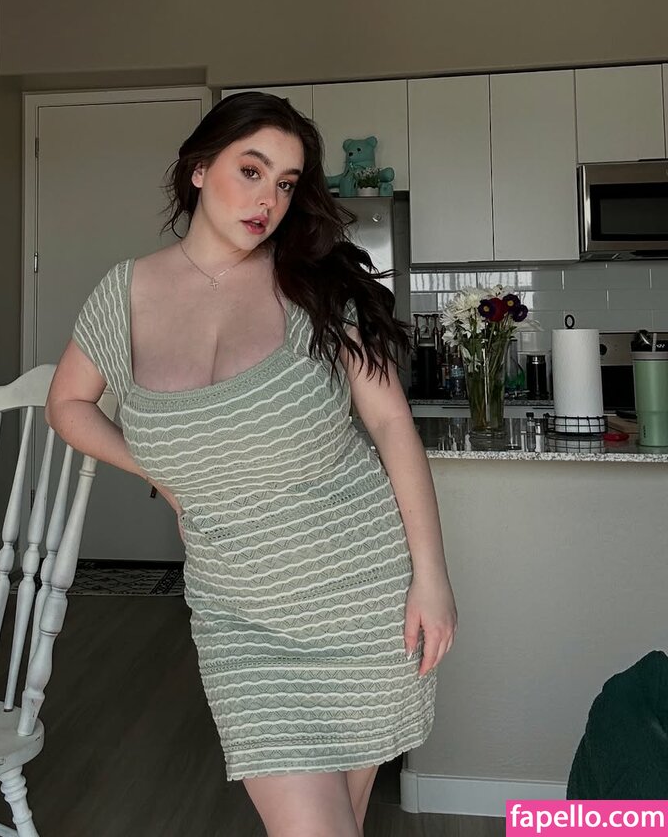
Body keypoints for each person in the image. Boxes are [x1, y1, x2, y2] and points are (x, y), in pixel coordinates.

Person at [45, 91, 457, 837]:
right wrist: (161, 474)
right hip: (239, 616)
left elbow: (391, 423)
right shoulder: (124, 293)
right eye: (251, 170)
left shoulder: (314, 287)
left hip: (361, 601)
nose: (268, 198)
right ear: (200, 168)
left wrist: (432, 578)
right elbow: (67, 404)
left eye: (286, 183)